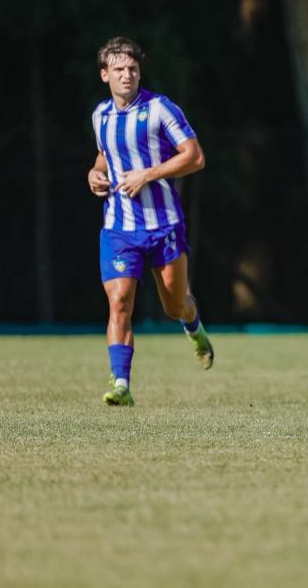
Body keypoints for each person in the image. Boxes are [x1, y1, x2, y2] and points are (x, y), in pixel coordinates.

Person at [87, 36, 214, 406]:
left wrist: (148, 174)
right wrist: (94, 173)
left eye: (133, 68)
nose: (127, 75)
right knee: (119, 302)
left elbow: (195, 157)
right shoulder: (100, 115)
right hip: (118, 228)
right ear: (104, 75)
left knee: (174, 306)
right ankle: (121, 385)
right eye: (119, 69)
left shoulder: (160, 109)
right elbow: (103, 156)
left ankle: (193, 325)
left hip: (163, 225)